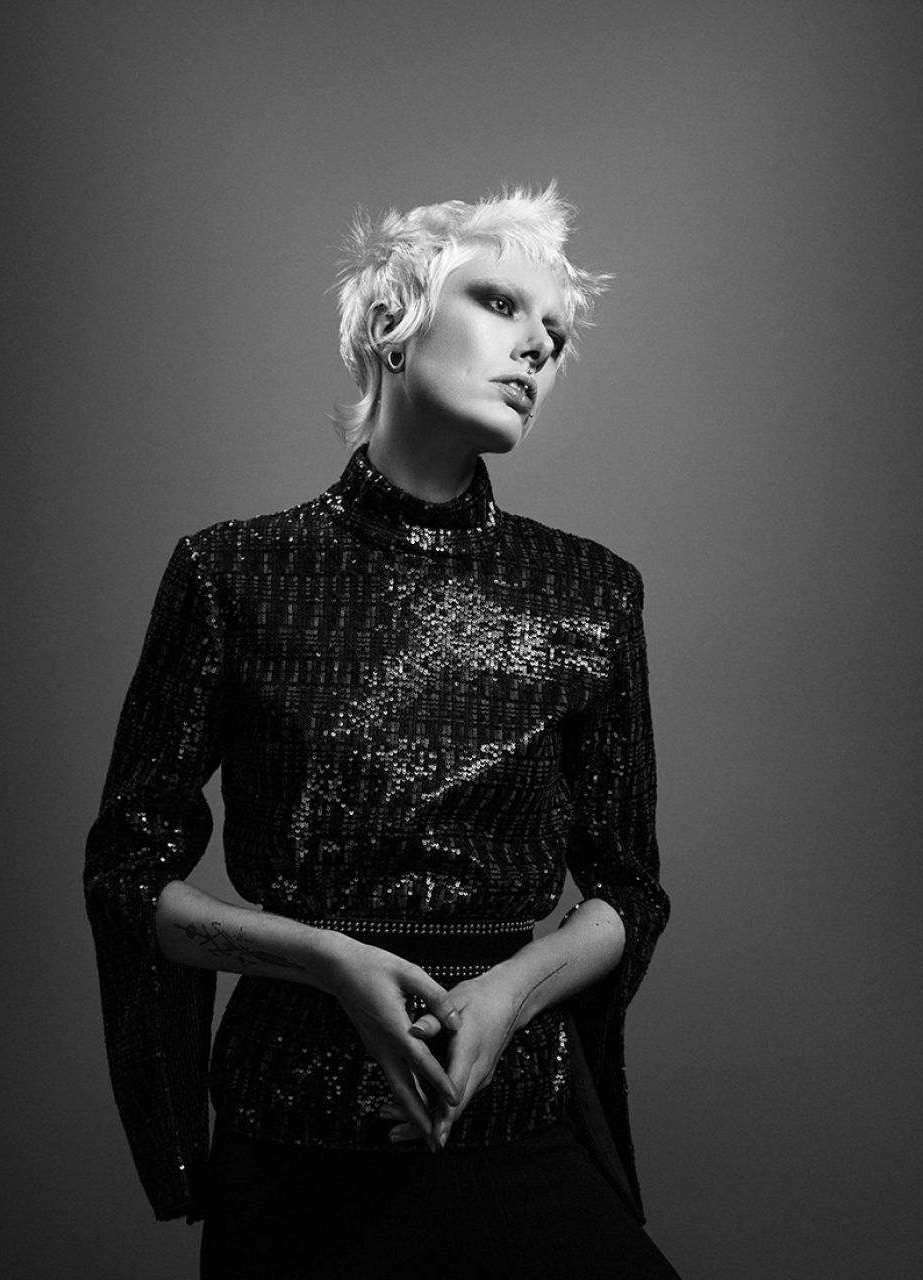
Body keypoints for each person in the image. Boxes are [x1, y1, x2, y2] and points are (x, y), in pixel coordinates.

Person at [84, 184, 680, 1278]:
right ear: (392, 323)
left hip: (514, 1115)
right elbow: (129, 874)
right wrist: (326, 959)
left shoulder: (593, 592)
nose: (537, 348)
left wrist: (509, 994)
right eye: (500, 303)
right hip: (294, 1135)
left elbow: (628, 891)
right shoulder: (232, 571)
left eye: (555, 336)